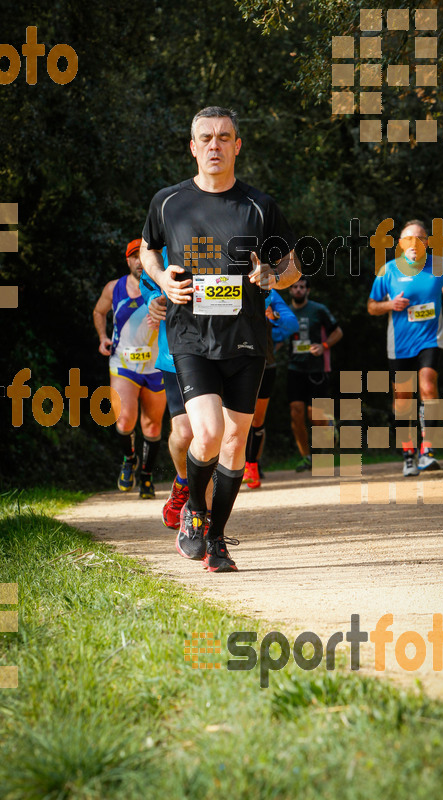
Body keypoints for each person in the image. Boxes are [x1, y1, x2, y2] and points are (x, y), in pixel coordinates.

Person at [140, 106, 301, 572]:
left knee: (235, 443)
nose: (215, 145)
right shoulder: (168, 202)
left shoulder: (259, 206)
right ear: (193, 147)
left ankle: (216, 539)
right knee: (207, 433)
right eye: (206, 138)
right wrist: (162, 279)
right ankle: (194, 507)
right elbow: (148, 247)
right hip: (190, 334)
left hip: (247, 338)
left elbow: (293, 265)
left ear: (237, 146)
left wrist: (272, 275)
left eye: (224, 137)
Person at [367, 219, 443, 476]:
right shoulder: (387, 271)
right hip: (399, 343)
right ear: (400, 244)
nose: (414, 244)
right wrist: (390, 305)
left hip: (430, 337)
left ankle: (428, 450)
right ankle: (408, 453)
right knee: (403, 398)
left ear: (427, 242)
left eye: (419, 239)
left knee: (428, 386)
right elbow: (371, 306)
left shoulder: (440, 265)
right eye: (408, 239)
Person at [93, 239, 166, 498]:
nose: (138, 261)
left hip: (156, 366)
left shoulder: (163, 287)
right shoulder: (114, 288)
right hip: (123, 363)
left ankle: (146, 476)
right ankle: (128, 458)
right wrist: (103, 337)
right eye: (133, 256)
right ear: (128, 261)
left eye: (142, 255)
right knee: (123, 420)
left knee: (153, 427)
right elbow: (99, 312)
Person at [139, 257, 193, 526]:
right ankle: (183, 483)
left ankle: (203, 517)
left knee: (215, 436)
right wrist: (152, 299)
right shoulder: (168, 246)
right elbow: (148, 281)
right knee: (184, 434)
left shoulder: (225, 238)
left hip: (221, 355)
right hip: (175, 357)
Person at [243, 289, 299, 489]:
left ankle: (251, 466)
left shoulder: (269, 293)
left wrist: (273, 315)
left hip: (265, 364)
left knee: (257, 420)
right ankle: (226, 468)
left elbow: (292, 324)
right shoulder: (223, 283)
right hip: (230, 363)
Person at [287, 277, 343, 472]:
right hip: (294, 368)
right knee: (296, 414)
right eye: (295, 287)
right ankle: (306, 457)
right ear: (290, 290)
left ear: (307, 290)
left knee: (315, 416)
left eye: (302, 286)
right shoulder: (285, 312)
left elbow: (338, 332)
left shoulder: (318, 309)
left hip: (317, 369)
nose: (298, 290)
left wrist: (324, 346)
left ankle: (325, 450)